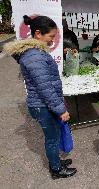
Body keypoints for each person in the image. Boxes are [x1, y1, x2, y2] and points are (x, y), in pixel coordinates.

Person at [3, 15, 77, 178]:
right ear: (38, 34)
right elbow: (45, 89)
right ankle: (56, 170)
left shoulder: (35, 52)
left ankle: (56, 161)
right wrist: (61, 110)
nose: (52, 40)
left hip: (44, 104)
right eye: (51, 36)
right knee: (52, 139)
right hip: (43, 105)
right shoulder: (35, 56)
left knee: (55, 135)